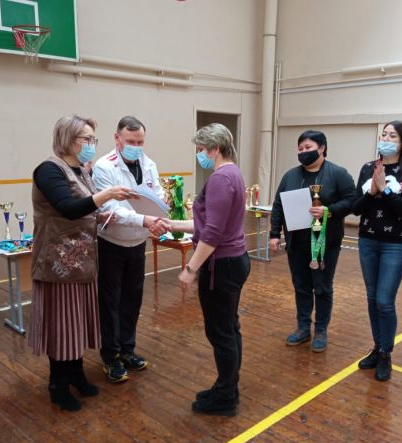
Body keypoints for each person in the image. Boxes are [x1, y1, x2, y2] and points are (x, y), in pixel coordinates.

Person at [29, 114, 136, 411]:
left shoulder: (80, 171)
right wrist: (107, 195)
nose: (91, 144)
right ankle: (58, 384)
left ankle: (76, 373)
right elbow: (68, 208)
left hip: (83, 262)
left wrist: (103, 215)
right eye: (86, 139)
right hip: (59, 265)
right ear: (67, 138)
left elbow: (86, 210)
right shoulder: (49, 170)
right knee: (61, 325)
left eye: (93, 139)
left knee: (76, 323)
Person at [164, 123, 250, 416]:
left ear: (215, 149)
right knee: (229, 328)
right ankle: (227, 388)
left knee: (221, 333)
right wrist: (172, 223)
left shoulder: (220, 179)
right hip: (233, 260)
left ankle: (225, 397)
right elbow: (210, 224)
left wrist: (190, 268)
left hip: (222, 265)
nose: (199, 154)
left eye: (201, 149)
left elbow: (212, 233)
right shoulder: (233, 173)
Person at [92, 116, 167, 383]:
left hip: (138, 243)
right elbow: (109, 209)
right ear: (117, 138)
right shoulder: (104, 166)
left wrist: (159, 214)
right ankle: (111, 356)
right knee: (110, 302)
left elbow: (158, 195)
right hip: (111, 243)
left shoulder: (149, 164)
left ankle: (127, 350)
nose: (136, 147)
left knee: (132, 300)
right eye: (130, 141)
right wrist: (145, 220)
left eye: (140, 142)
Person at [269, 130, 356, 351]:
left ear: (322, 148)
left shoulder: (338, 174)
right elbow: (278, 205)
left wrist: (330, 210)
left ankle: (321, 330)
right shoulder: (290, 176)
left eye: (308, 148)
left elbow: (353, 201)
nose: (303, 152)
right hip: (296, 242)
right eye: (300, 149)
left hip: (325, 242)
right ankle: (302, 328)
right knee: (301, 286)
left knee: (323, 287)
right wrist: (274, 234)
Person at [352, 120, 402, 382]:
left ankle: (385, 354)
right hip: (367, 240)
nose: (386, 138)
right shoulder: (368, 168)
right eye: (384, 134)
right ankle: (377, 346)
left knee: (384, 300)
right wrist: (371, 192)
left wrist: (385, 190)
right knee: (372, 298)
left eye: (392, 135)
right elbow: (356, 208)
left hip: (396, 243)